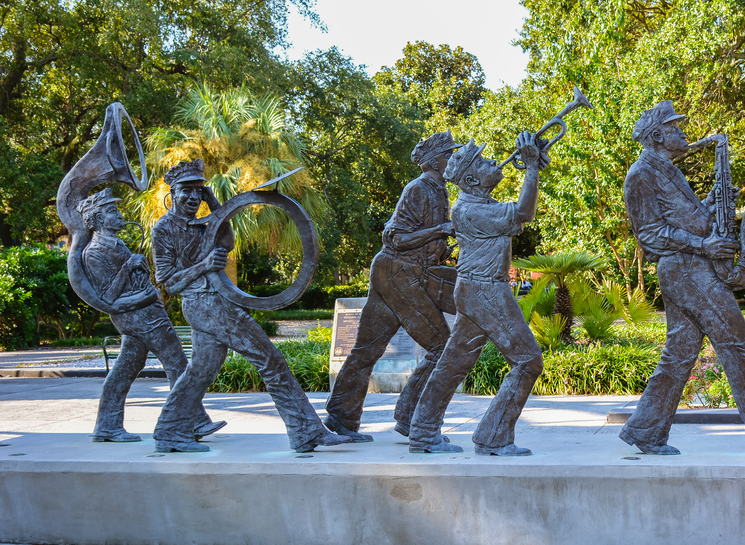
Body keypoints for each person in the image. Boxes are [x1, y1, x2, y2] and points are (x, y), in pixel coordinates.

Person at [620, 100, 745, 456]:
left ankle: (646, 431)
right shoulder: (641, 175)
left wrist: (710, 206)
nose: (682, 133)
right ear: (656, 135)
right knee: (738, 348)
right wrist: (704, 244)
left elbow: (678, 217)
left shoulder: (667, 170)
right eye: (675, 128)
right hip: (686, 270)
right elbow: (650, 234)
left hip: (689, 268)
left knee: (678, 355)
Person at [150, 160, 351, 453]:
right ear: (173, 193)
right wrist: (203, 266)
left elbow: (228, 241)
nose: (193, 197)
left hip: (215, 301)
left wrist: (216, 205)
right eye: (186, 191)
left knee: (200, 372)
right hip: (204, 304)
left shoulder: (204, 222)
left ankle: (170, 431)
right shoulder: (163, 229)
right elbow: (167, 281)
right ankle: (306, 431)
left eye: (198, 191)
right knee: (271, 360)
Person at [408, 132, 549, 456]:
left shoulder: (480, 203)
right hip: (486, 291)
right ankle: (494, 437)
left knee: (452, 365)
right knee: (528, 361)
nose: (493, 162)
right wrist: (530, 168)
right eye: (485, 162)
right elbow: (524, 212)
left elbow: (518, 209)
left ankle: (423, 433)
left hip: (478, 290)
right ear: (471, 178)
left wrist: (535, 166)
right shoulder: (470, 210)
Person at [324, 131, 461, 442]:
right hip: (398, 273)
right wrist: (440, 229)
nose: (452, 159)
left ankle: (341, 418)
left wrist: (442, 244)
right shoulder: (418, 189)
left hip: (401, 272)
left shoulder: (439, 191)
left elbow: (426, 241)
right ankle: (412, 417)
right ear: (435, 162)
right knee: (443, 346)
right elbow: (394, 238)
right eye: (449, 155)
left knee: (366, 350)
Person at [78, 188, 224, 443]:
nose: (119, 215)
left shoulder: (117, 244)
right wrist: (130, 268)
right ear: (99, 219)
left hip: (145, 312)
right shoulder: (94, 252)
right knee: (177, 361)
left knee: (127, 368)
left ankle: (107, 426)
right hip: (140, 316)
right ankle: (192, 421)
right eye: (112, 211)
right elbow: (108, 297)